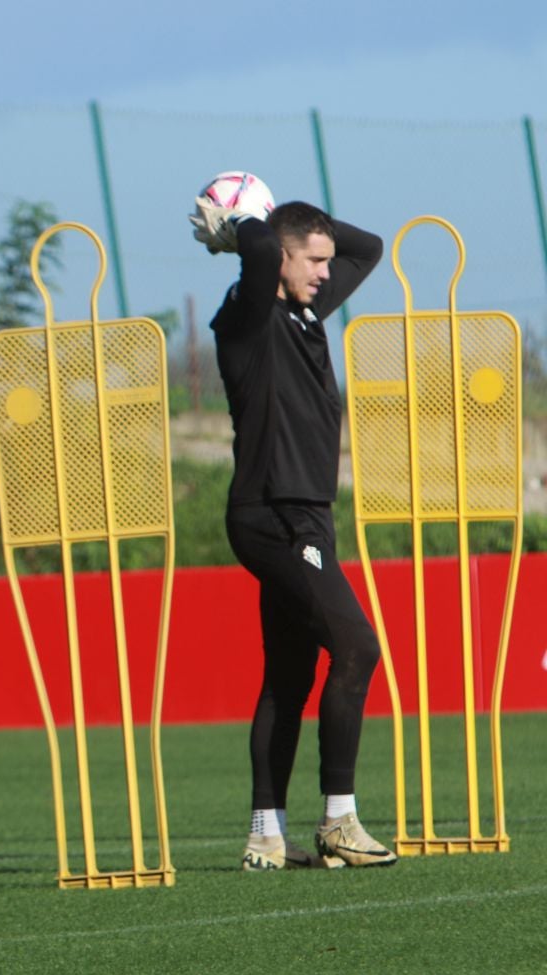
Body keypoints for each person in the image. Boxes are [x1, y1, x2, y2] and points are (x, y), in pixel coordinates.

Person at [194, 193, 395, 871]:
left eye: (322, 261)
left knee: (289, 677)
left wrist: (282, 218)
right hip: (271, 515)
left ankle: (265, 836)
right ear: (277, 257)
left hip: (307, 515)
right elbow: (258, 252)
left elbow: (368, 245)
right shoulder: (247, 316)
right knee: (358, 648)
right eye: (311, 260)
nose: (324, 271)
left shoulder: (304, 308)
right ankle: (339, 820)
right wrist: (248, 226)